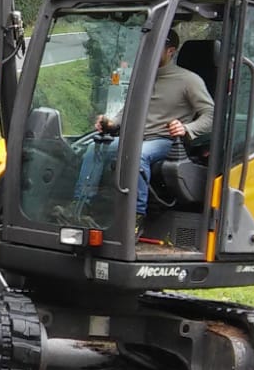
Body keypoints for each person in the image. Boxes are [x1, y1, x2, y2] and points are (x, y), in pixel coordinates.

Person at [71, 30, 214, 231]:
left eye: (156, 48)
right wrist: (110, 123)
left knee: (136, 155)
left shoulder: (189, 80)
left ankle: (134, 219)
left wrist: (187, 128)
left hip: (165, 141)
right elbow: (126, 110)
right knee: (95, 149)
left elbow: (210, 114)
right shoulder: (142, 78)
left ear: (171, 51)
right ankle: (80, 206)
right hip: (135, 137)